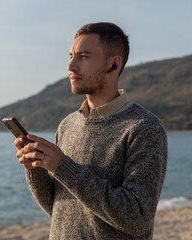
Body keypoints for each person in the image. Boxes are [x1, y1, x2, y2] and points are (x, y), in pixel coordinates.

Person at [14, 22, 167, 240]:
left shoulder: (144, 127)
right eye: (71, 56)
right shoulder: (67, 125)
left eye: (83, 57)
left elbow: (137, 218)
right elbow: (60, 211)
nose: (71, 66)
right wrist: (36, 168)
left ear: (113, 64)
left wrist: (63, 167)